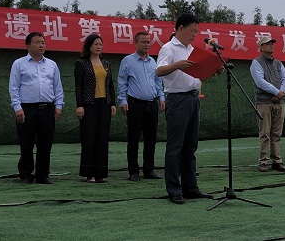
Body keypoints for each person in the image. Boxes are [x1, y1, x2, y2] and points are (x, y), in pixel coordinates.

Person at [156, 13, 216, 204]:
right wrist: (177, 64)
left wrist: (213, 69)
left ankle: (190, 187)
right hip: (177, 99)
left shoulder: (192, 49)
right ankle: (174, 189)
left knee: (190, 146)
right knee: (175, 147)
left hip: (193, 98)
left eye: (197, 32)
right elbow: (158, 70)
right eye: (192, 31)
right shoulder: (168, 48)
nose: (194, 35)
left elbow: (197, 74)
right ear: (180, 28)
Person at [9, 32, 64, 184]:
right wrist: (17, 108)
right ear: (28, 46)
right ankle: (26, 174)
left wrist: (58, 105)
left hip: (47, 108)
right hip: (27, 108)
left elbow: (57, 87)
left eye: (43, 42)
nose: (41, 45)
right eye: (37, 42)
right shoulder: (19, 64)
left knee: (45, 142)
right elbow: (14, 88)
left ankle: (42, 174)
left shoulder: (52, 64)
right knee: (26, 142)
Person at [117, 31, 166, 182]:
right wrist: (122, 100)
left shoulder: (153, 62)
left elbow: (158, 82)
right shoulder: (127, 61)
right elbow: (122, 82)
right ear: (136, 43)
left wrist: (161, 97)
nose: (146, 45)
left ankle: (148, 170)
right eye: (143, 42)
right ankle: (133, 171)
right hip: (135, 104)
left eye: (148, 42)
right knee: (133, 138)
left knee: (151, 139)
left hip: (152, 105)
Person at [74, 34, 117, 183]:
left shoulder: (106, 64)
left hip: (104, 104)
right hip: (89, 104)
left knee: (102, 138)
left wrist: (113, 103)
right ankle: (89, 173)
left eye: (100, 44)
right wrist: (79, 105)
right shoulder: (82, 63)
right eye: (95, 44)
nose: (98, 46)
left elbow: (110, 84)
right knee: (89, 137)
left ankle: (101, 172)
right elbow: (78, 86)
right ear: (89, 46)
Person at [250, 36, 285, 173]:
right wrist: (277, 92)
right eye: (268, 43)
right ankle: (263, 161)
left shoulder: (279, 63)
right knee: (265, 133)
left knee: (277, 133)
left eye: (272, 43)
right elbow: (260, 82)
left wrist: (281, 92)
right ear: (261, 47)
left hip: (280, 102)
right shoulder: (256, 63)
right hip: (264, 102)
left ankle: (277, 161)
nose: (272, 45)